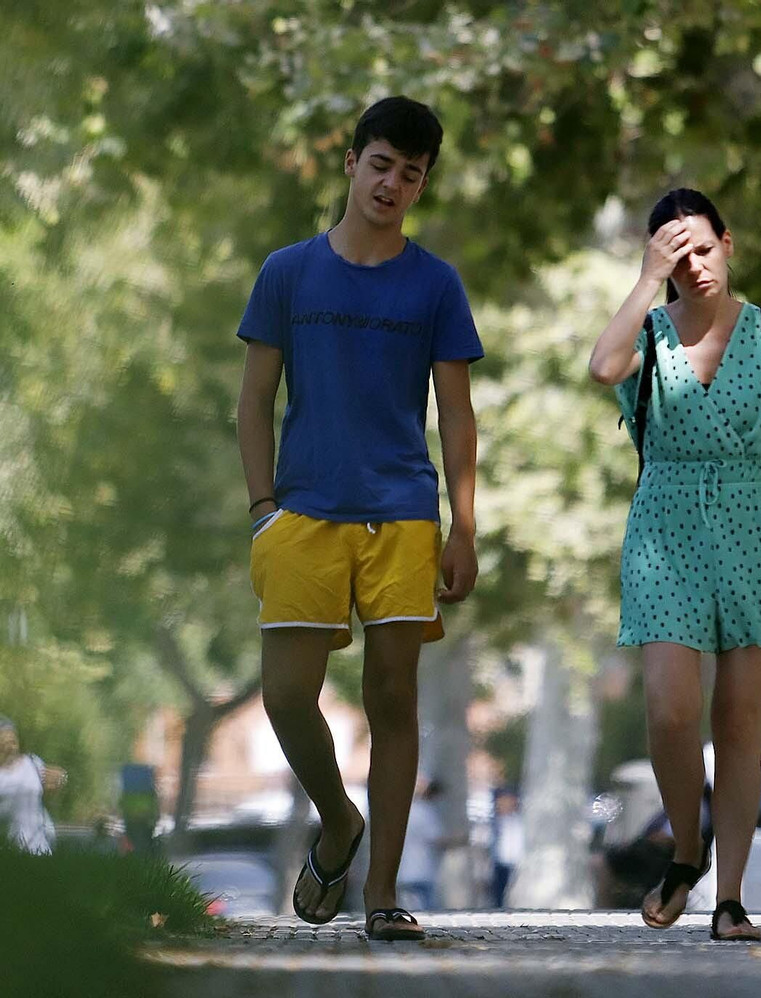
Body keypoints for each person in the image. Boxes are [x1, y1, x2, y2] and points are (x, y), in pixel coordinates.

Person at [237, 96, 483, 942]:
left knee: (393, 699)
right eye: (381, 164)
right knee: (285, 695)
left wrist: (463, 525)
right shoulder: (287, 273)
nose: (392, 184)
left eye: (410, 174)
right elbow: (254, 399)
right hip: (302, 511)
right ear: (351, 163)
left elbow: (456, 413)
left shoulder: (435, 284)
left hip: (403, 515)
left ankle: (381, 890)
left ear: (421, 186)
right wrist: (263, 508)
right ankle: (339, 819)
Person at [588, 188, 761, 942]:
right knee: (669, 707)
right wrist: (646, 279)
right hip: (665, 527)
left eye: (703, 248)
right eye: (676, 256)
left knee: (738, 717)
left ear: (728, 243)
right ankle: (685, 850)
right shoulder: (648, 331)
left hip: (754, 525)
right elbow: (602, 366)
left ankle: (729, 897)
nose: (694, 265)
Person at [0, 716, 67, 855]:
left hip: (38, 849)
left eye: (13, 742)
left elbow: (47, 795)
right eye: (2, 744)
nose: (10, 748)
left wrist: (60, 780)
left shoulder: (32, 762)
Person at [398, 778, 448, 912]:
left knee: (408, 906)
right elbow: (437, 839)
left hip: (405, 869)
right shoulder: (427, 813)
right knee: (427, 910)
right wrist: (458, 840)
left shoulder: (410, 810)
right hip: (422, 869)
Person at [489, 788, 523, 907]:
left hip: (516, 862)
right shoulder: (495, 820)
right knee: (499, 892)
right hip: (501, 862)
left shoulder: (518, 820)